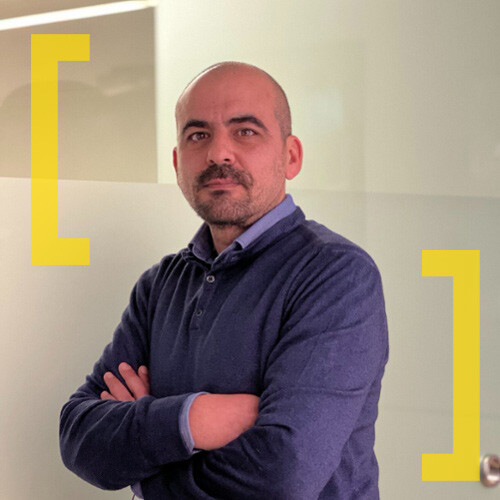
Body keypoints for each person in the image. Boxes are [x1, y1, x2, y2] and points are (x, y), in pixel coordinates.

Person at [59, 61, 389, 499]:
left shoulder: (335, 275)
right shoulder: (160, 286)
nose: (219, 154)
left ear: (291, 157)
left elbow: (283, 475)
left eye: (245, 131)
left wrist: (148, 468)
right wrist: (194, 419)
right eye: (198, 135)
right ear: (177, 162)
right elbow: (80, 439)